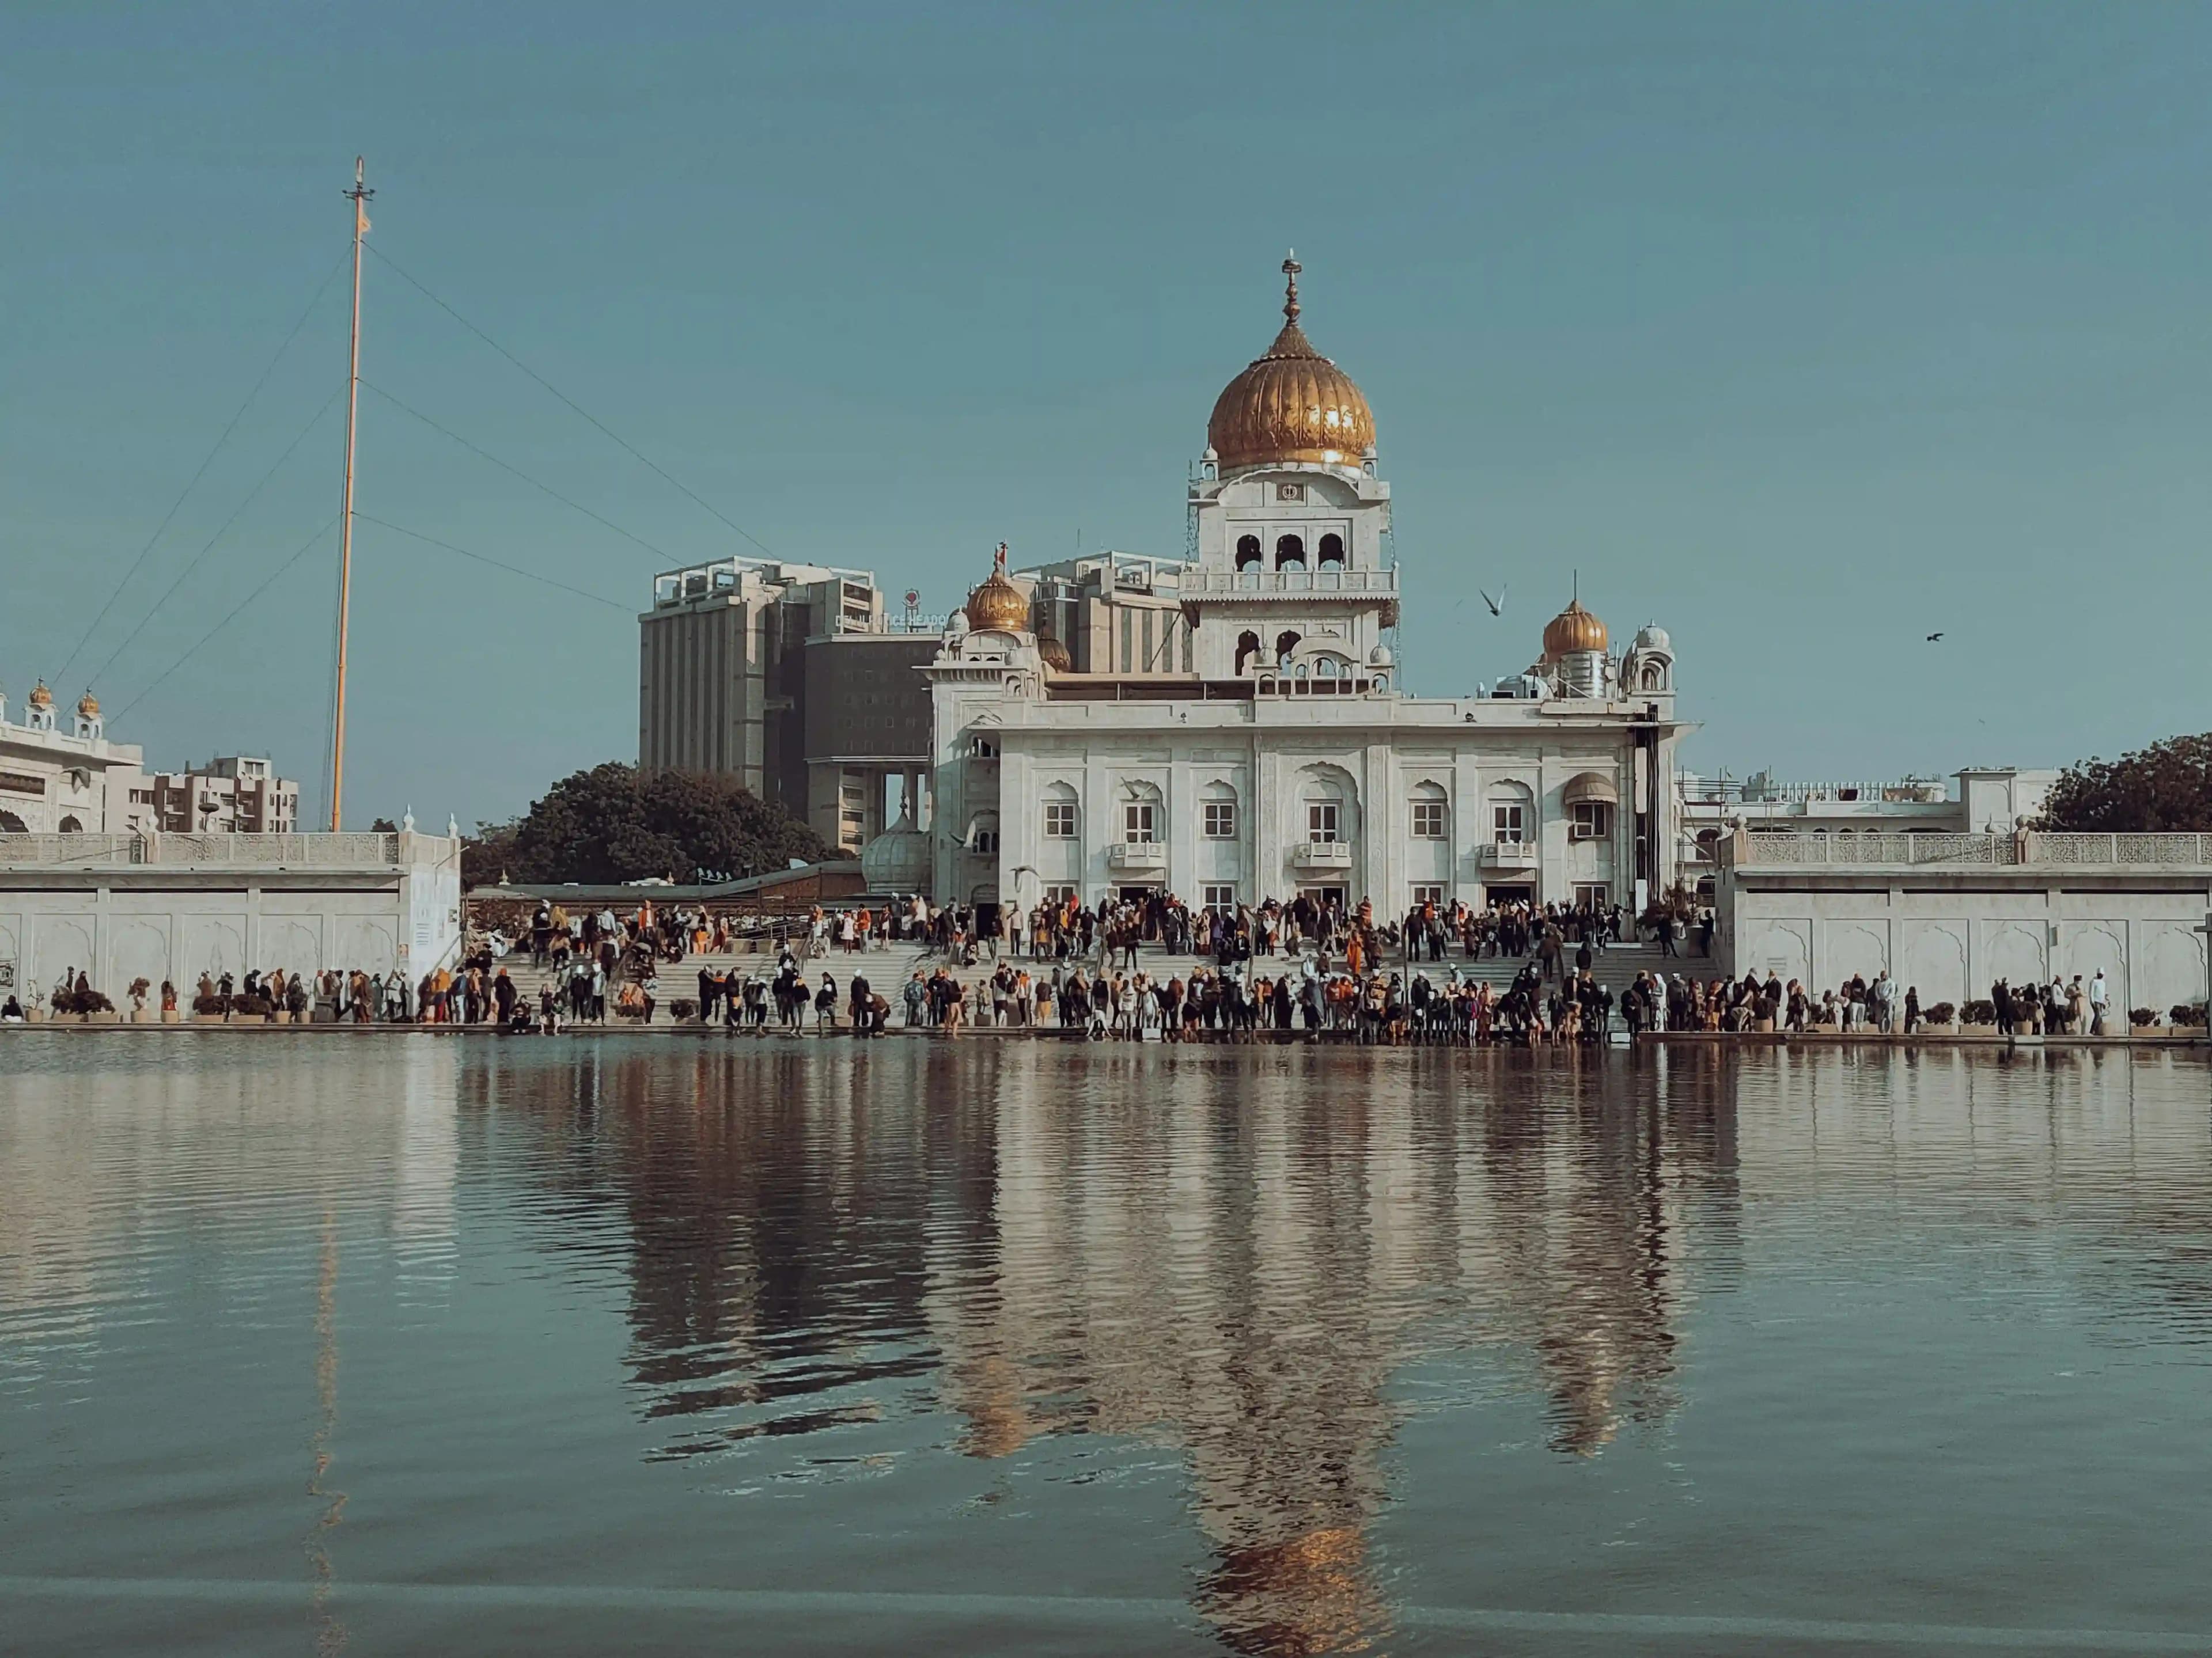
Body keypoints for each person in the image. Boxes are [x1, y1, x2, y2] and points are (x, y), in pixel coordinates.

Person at [2089, 969, 2109, 1037]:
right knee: (2097, 1015)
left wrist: (2104, 1002)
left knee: (2100, 1016)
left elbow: (2102, 993)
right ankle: (2092, 1031)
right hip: (2096, 1001)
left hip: (2101, 1001)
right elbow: (2091, 991)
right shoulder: (2094, 981)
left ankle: (2098, 1031)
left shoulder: (2103, 983)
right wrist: (2092, 1001)